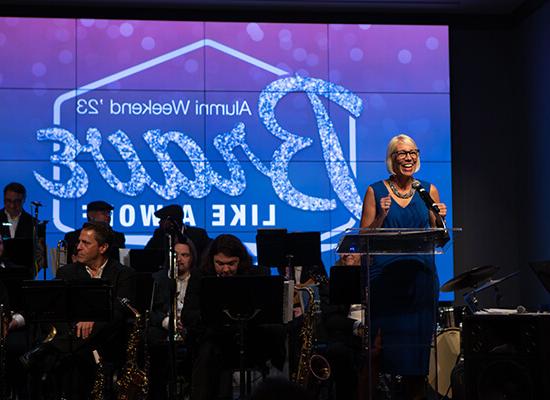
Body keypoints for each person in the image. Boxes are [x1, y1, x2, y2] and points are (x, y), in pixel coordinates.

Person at [359, 134, 447, 399]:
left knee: (417, 355)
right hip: (385, 280)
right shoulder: (376, 191)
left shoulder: (427, 191)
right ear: (392, 158)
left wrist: (441, 218)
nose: (408, 158)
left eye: (412, 152)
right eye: (401, 153)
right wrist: (382, 216)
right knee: (377, 350)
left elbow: (440, 235)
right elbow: (364, 238)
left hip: (419, 280)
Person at [30, 221, 136, 399]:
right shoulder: (67, 273)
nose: (78, 247)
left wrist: (93, 319)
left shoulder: (123, 274)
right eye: (79, 242)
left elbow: (119, 311)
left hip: (107, 339)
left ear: (102, 248)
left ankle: (55, 348)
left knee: (107, 325)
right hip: (76, 338)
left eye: (85, 243)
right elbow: (56, 311)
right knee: (72, 350)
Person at [182, 234, 284, 400]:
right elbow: (188, 315)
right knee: (209, 351)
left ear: (240, 261)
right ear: (212, 260)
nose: (225, 269)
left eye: (231, 264)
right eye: (220, 264)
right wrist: (211, 317)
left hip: (250, 341)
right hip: (214, 341)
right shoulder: (200, 276)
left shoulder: (255, 274)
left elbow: (270, 315)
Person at [148, 236, 198, 400]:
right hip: (165, 332)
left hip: (192, 332)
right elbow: (151, 311)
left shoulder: (199, 280)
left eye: (185, 255)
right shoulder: (157, 278)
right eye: (175, 255)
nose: (180, 259)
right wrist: (168, 322)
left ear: (192, 258)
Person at [145, 204, 211, 261]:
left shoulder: (198, 234)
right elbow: (146, 254)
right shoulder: (159, 234)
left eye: (162, 219)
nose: (159, 222)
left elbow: (209, 252)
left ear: (172, 222)